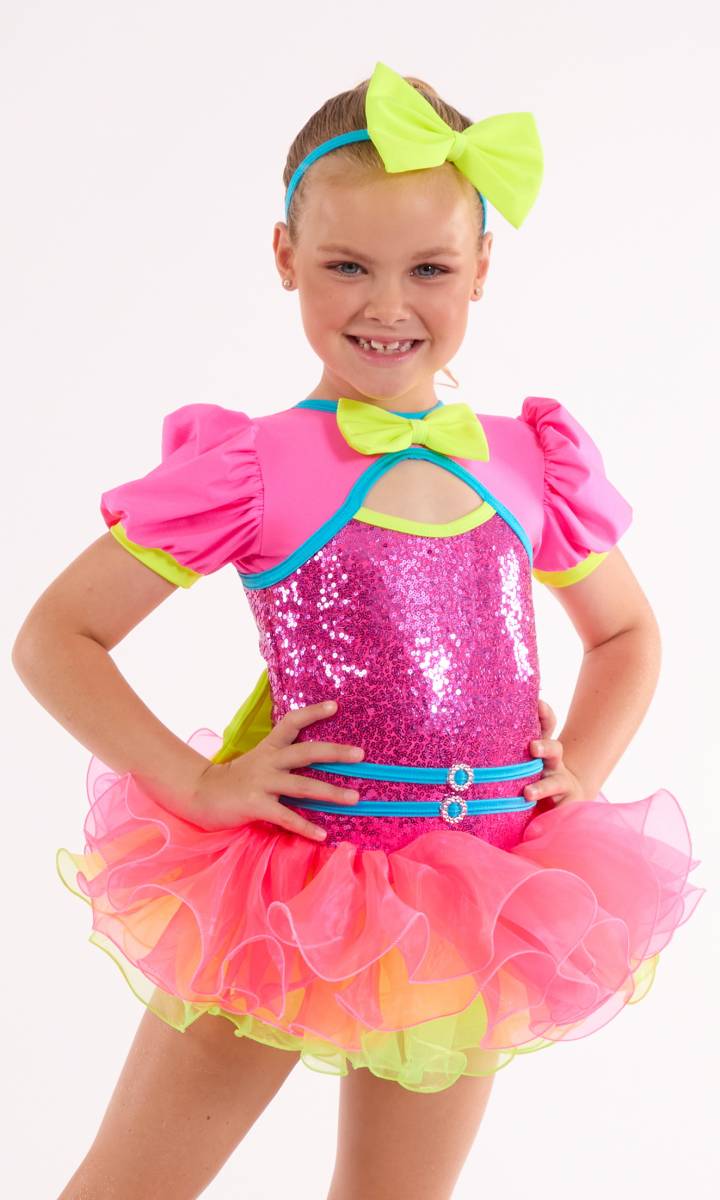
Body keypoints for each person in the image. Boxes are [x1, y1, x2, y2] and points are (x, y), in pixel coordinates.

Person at [12, 60, 705, 1200]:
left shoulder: (528, 461)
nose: (388, 306)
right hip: (288, 884)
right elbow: (57, 638)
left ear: (482, 268)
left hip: (479, 891)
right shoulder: (254, 465)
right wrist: (200, 785)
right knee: (134, 1185)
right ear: (286, 257)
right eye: (347, 266)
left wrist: (578, 768)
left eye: (429, 268)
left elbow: (626, 633)